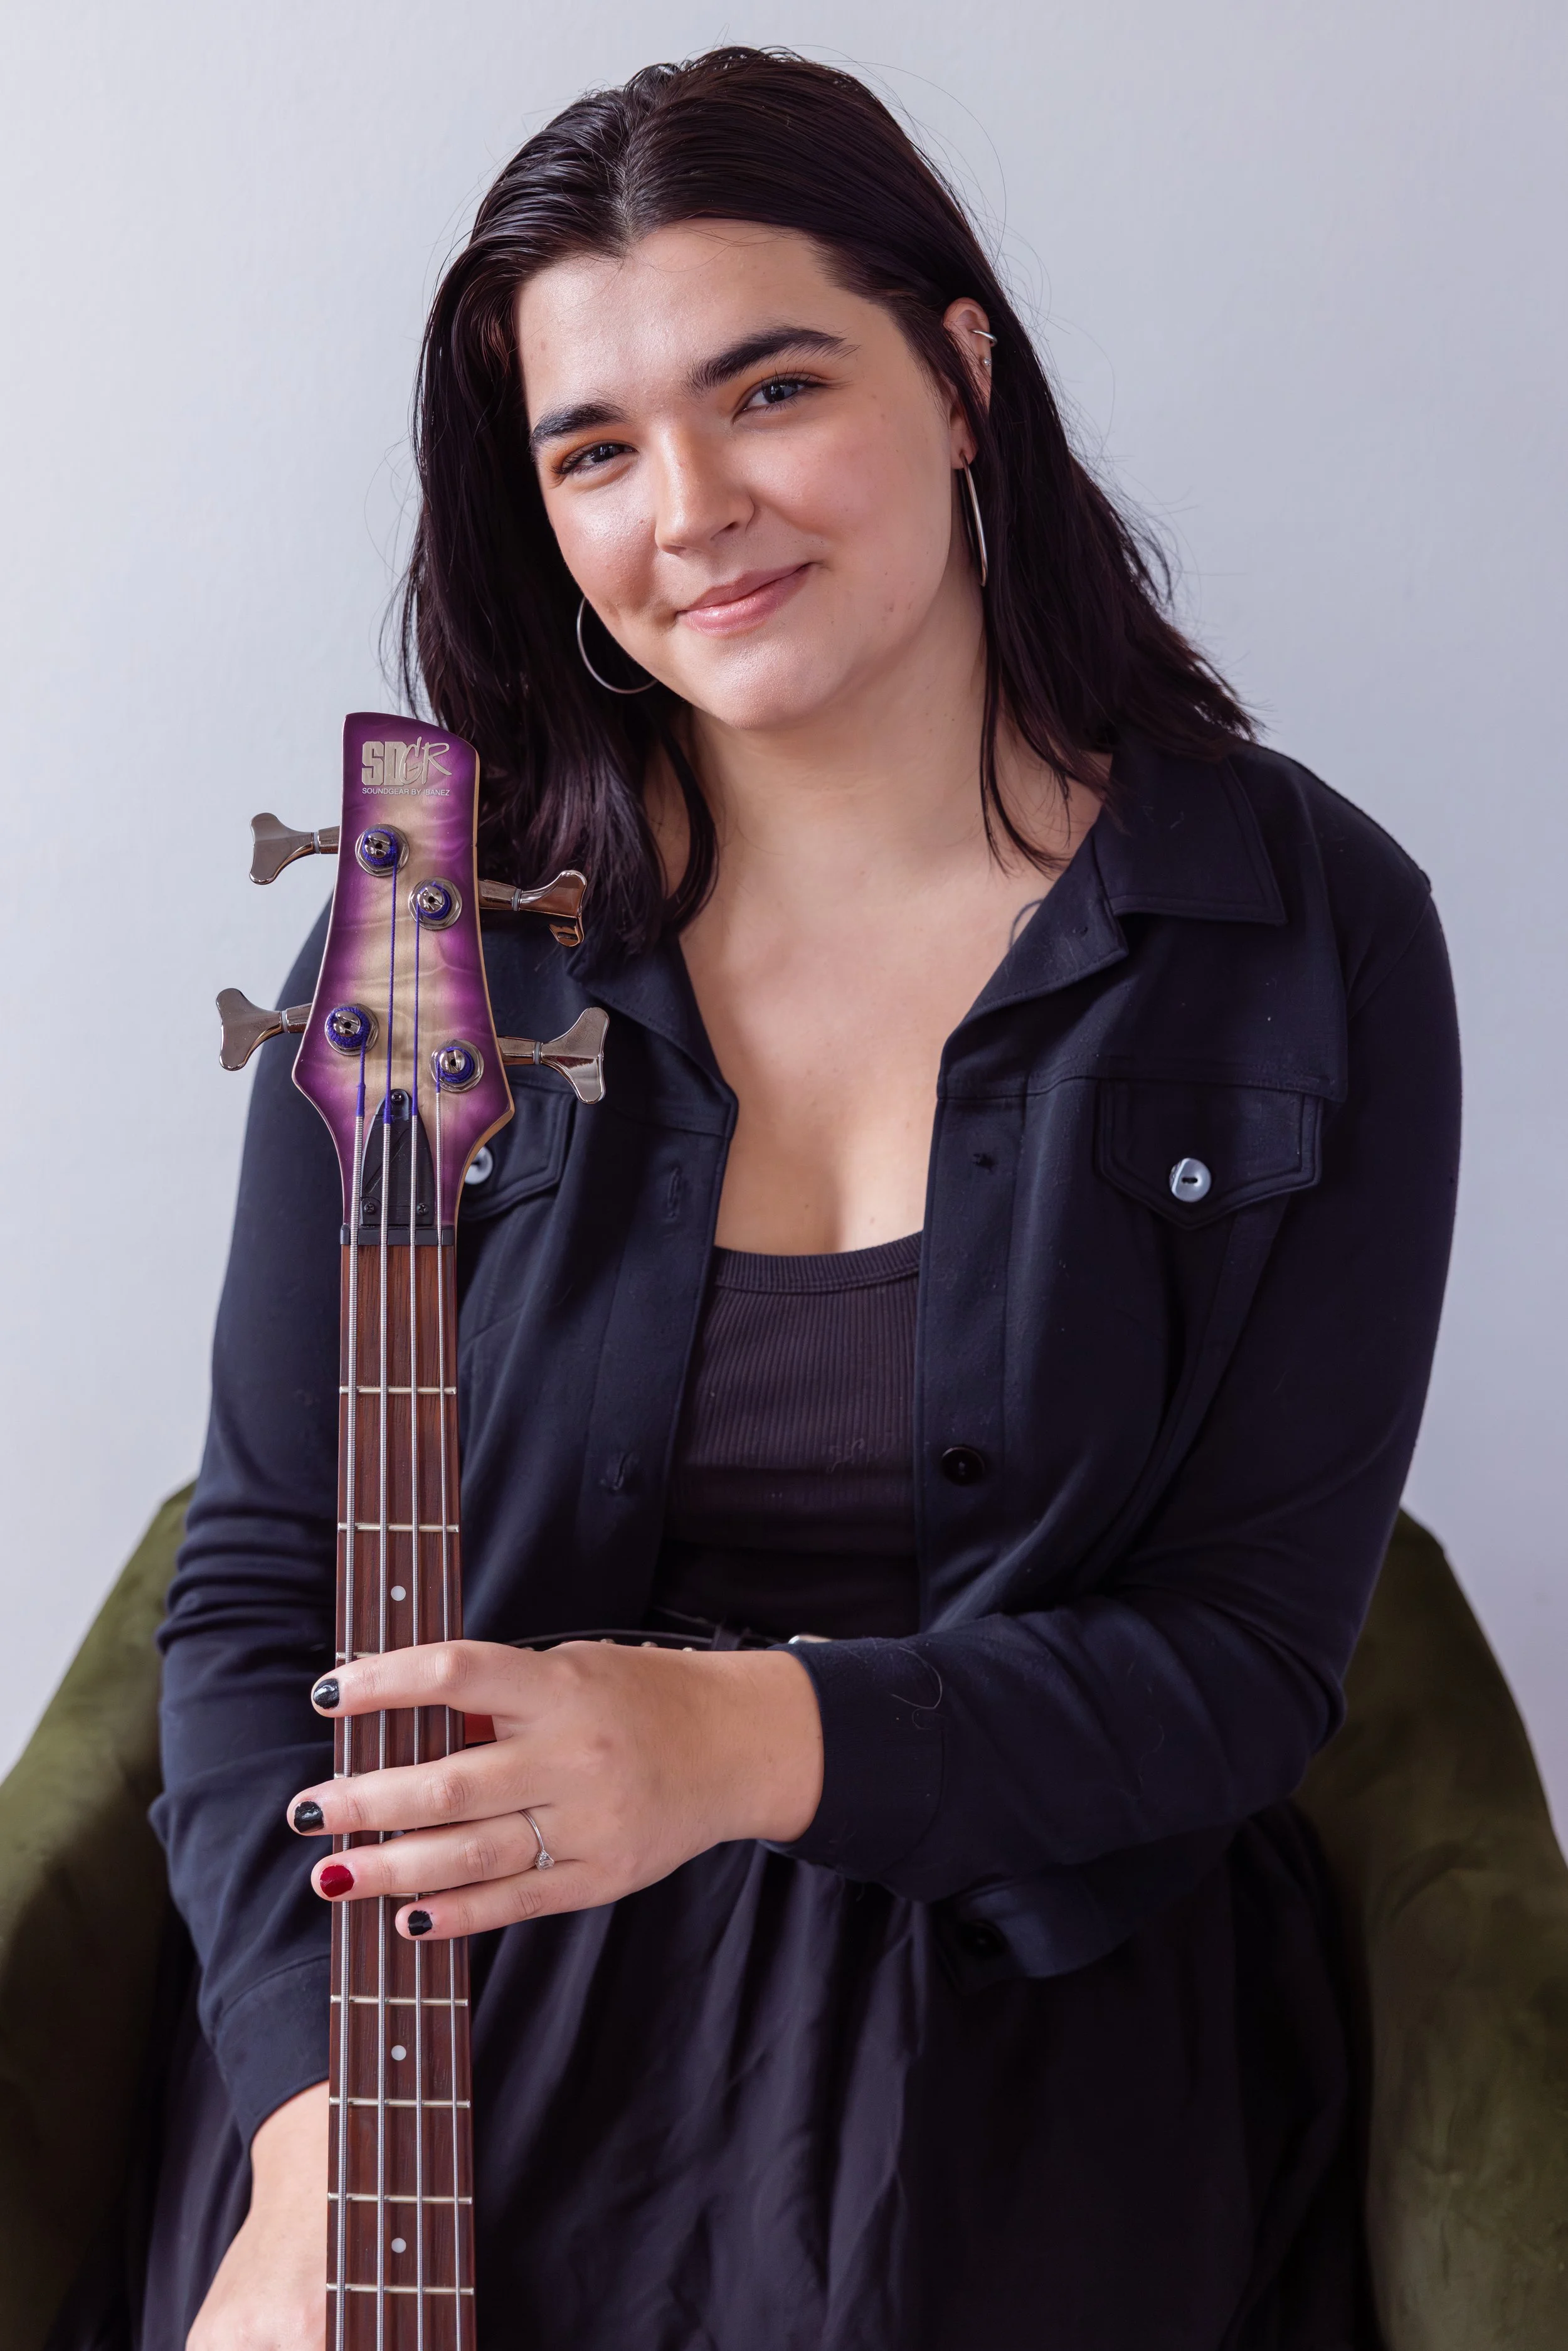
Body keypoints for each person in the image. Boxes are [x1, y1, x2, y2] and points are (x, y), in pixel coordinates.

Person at [145, 46, 1459, 2351]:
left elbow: (1248, 1664)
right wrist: (316, 2131)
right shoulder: (427, 907)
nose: (693, 510)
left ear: (961, 372)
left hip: (1025, 2001)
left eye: (768, 389)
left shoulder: (1306, 924)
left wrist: (727, 1739)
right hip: (441, 2016)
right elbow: (264, 1586)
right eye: (593, 450)